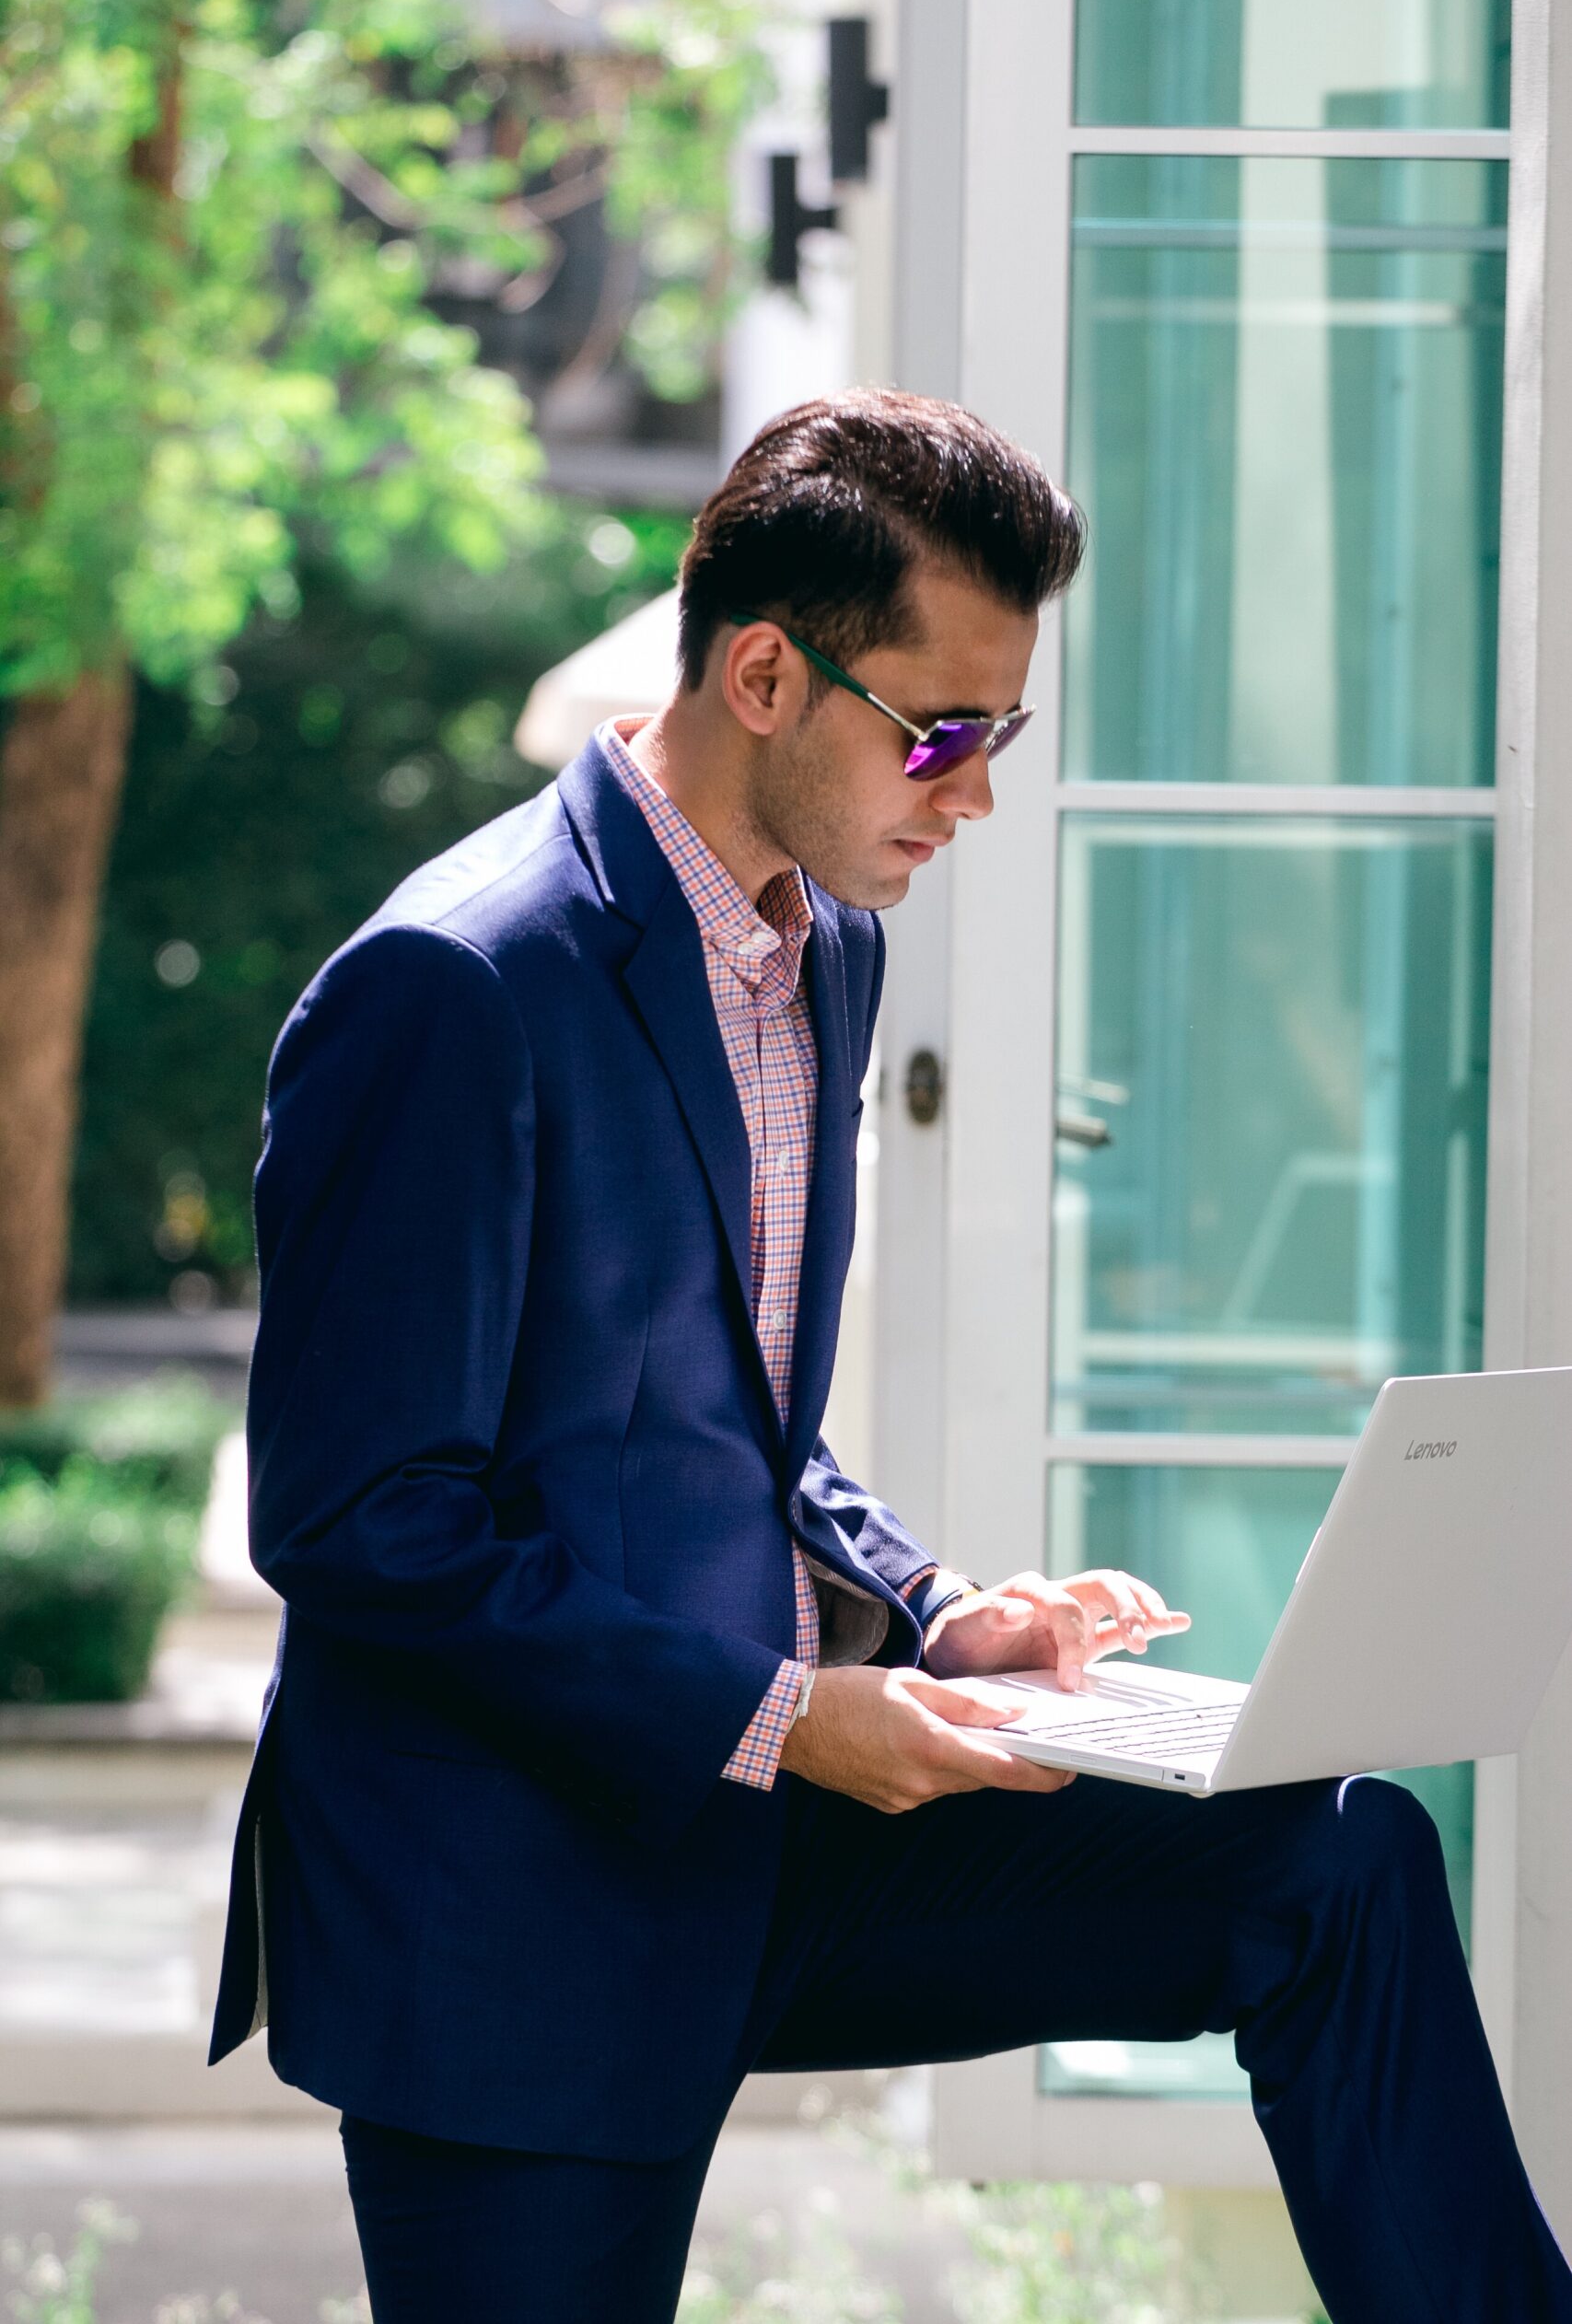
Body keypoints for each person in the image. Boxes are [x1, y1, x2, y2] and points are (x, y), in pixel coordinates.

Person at [208, 388, 1572, 2323]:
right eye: (938, 733)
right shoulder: (451, 988)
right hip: (515, 1905)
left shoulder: (817, 940)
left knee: (1328, 1856)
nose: (973, 793)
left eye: (998, 733)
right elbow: (360, 1521)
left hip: (774, 1836)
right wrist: (782, 1717)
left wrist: (935, 1607)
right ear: (762, 672)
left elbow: (731, 1416)